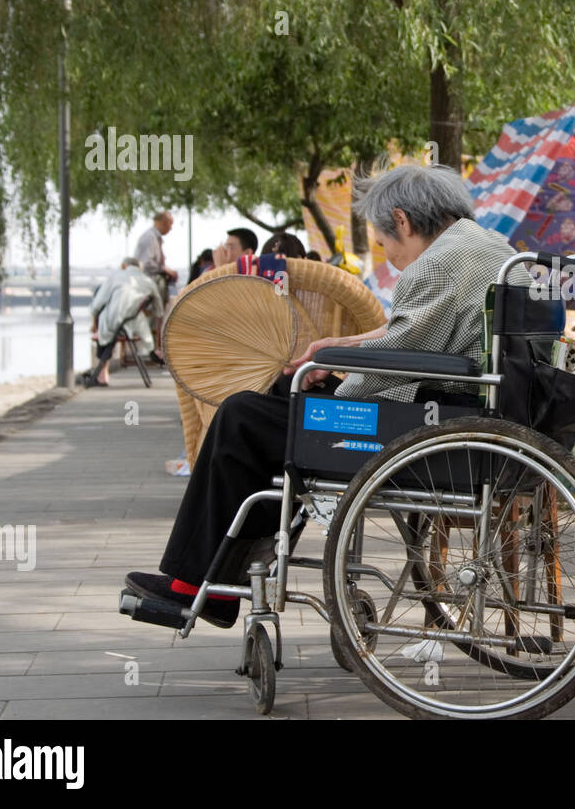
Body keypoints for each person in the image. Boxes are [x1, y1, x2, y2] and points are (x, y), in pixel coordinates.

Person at [124, 164, 532, 627]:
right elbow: (415, 332)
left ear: (401, 220)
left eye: (384, 243)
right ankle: (222, 574)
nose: (389, 257)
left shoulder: (437, 263)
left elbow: (406, 349)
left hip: (432, 430)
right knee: (282, 395)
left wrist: (333, 389)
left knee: (241, 416)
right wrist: (334, 353)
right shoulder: (488, 246)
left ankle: (195, 582)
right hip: (465, 412)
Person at [86, 258, 164, 386]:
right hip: (134, 324)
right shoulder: (148, 281)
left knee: (105, 334)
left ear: (124, 266)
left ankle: (102, 375)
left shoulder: (116, 276)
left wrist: (93, 322)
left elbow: (97, 304)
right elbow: (159, 311)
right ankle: (102, 374)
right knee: (110, 331)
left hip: (112, 323)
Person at [134, 211, 178, 295]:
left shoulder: (155, 237)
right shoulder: (149, 237)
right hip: (147, 283)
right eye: (170, 224)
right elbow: (144, 264)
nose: (171, 228)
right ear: (163, 223)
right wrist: (165, 269)